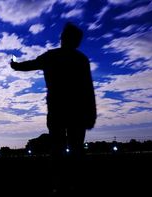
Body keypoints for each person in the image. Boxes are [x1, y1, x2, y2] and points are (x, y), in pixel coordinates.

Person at [10, 22, 97, 159]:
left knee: (57, 147)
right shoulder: (81, 59)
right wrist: (91, 115)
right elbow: (88, 89)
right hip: (77, 110)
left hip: (57, 109)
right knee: (76, 148)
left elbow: (30, 64)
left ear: (63, 38)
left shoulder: (51, 56)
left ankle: (56, 177)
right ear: (77, 41)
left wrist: (15, 65)